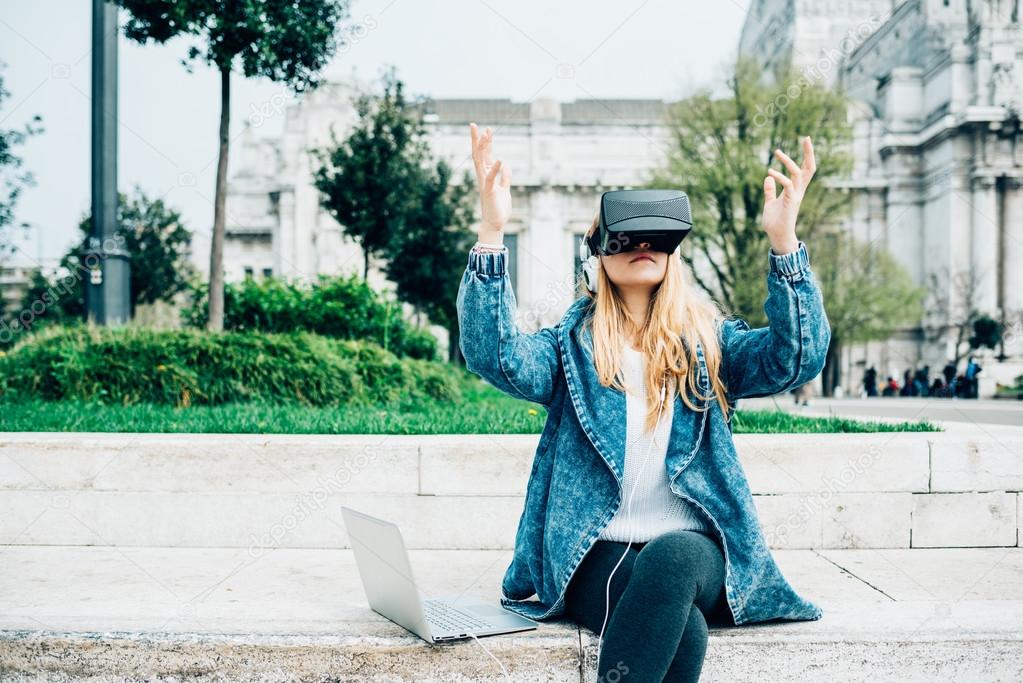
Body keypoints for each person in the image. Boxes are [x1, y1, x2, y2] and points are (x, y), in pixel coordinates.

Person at [457, 123, 829, 682]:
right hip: (596, 550)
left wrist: (785, 246)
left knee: (672, 560)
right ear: (598, 254)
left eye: (657, 238)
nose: (643, 248)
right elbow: (495, 356)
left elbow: (795, 358)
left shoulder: (710, 343)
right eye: (627, 238)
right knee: (683, 629)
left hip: (693, 547)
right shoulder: (568, 349)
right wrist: (491, 233)